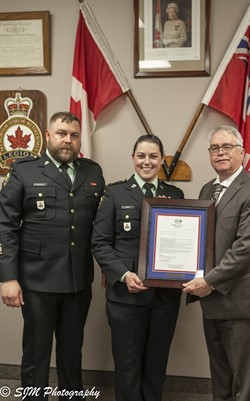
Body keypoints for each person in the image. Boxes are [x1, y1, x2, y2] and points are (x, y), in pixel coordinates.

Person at [0, 111, 105, 400]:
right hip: (37, 283)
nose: (67, 140)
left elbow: (101, 226)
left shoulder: (92, 171)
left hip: (77, 282)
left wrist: (110, 265)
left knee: (72, 354)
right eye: (61, 133)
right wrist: (8, 277)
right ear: (48, 136)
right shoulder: (25, 170)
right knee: (36, 355)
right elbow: (5, 224)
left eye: (73, 135)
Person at [92, 134, 184, 401]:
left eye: (153, 156)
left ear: (162, 160)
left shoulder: (175, 194)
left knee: (156, 367)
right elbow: (99, 242)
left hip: (165, 297)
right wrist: (122, 274)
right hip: (126, 297)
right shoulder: (114, 192)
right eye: (141, 156)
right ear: (133, 158)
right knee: (127, 366)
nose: (147, 162)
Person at [183, 126, 250, 401]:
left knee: (244, 384)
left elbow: (245, 248)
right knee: (220, 379)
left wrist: (209, 281)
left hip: (241, 301)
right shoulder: (208, 189)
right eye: (215, 148)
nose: (221, 152)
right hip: (212, 302)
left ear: (241, 152)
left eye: (227, 147)